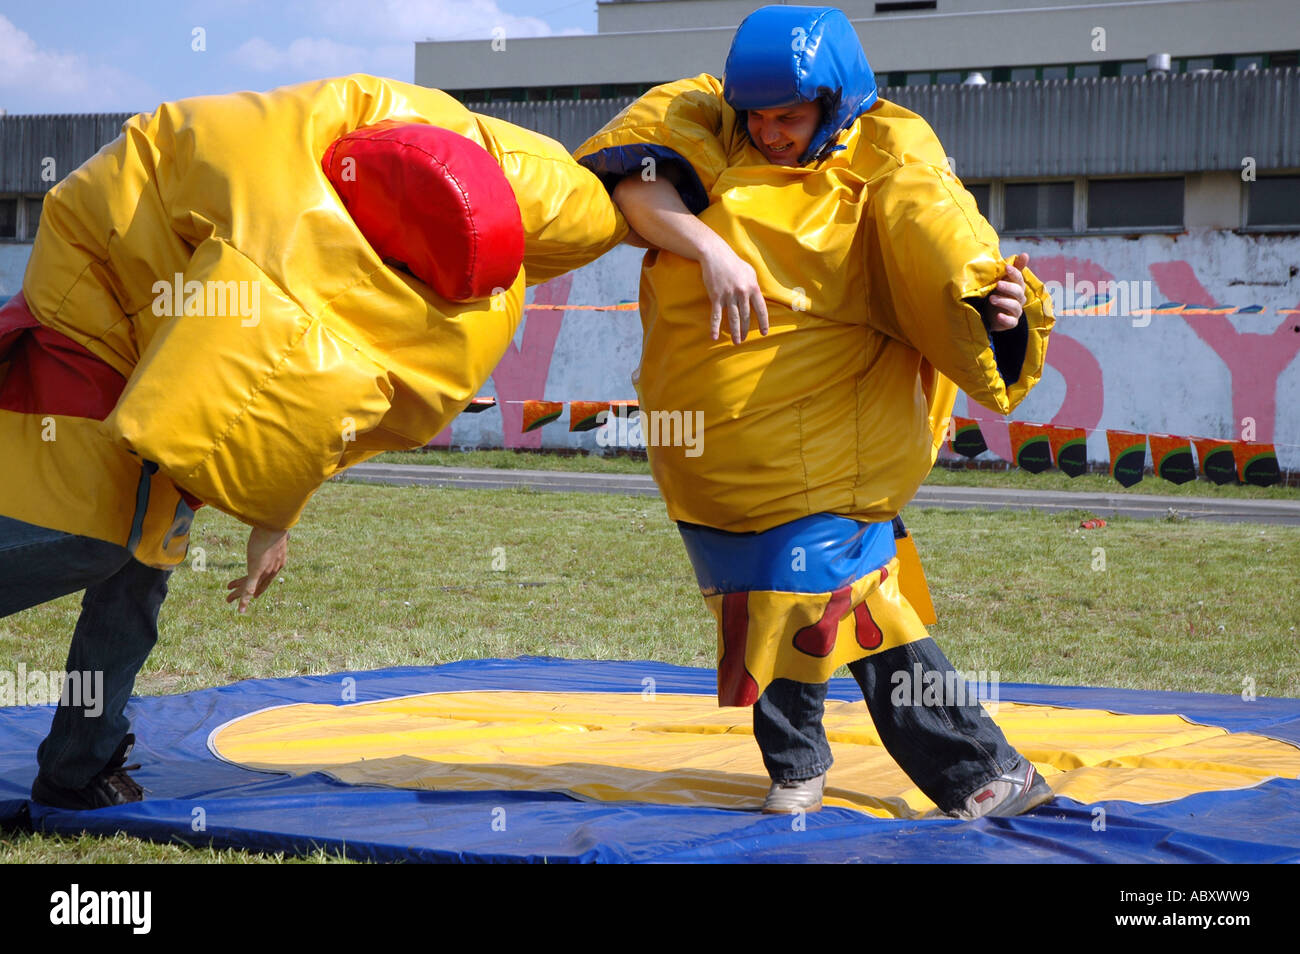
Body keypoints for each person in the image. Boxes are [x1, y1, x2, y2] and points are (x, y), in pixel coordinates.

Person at [0, 74, 624, 810]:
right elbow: (237, 419)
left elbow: (607, 201)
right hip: (103, 285)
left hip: (184, 266)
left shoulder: (513, 172)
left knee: (144, 561)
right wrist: (273, 524)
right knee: (106, 538)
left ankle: (79, 765)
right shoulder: (277, 264)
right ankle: (82, 758)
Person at [576, 6, 1056, 818]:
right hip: (716, 451)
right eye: (756, 115)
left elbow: (943, 255)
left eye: (788, 118)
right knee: (785, 599)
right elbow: (633, 185)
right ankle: (883, 771)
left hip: (818, 448)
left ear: (835, 103)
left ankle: (903, 770)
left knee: (836, 599)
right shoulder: (706, 120)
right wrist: (714, 249)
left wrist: (999, 308)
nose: (768, 133)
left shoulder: (885, 160)